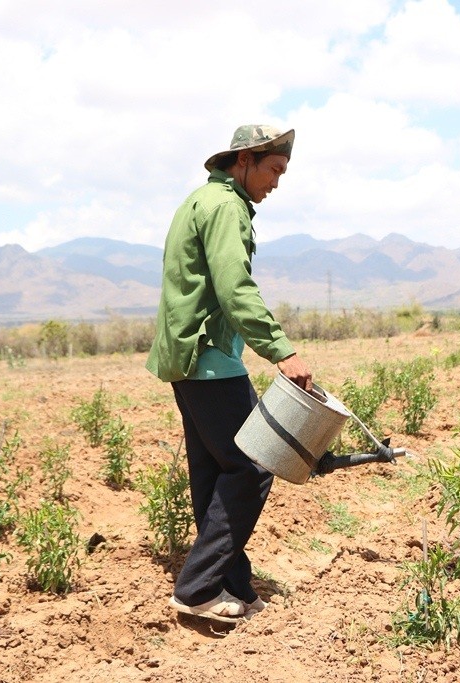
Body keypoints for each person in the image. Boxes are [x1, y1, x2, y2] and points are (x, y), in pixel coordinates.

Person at [146, 124, 312, 623]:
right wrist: (281, 351)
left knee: (216, 471)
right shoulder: (226, 207)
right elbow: (234, 286)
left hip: (189, 359)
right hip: (211, 360)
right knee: (254, 465)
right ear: (244, 161)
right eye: (273, 170)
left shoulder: (202, 200)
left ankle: (231, 583)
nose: (277, 183)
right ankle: (197, 588)